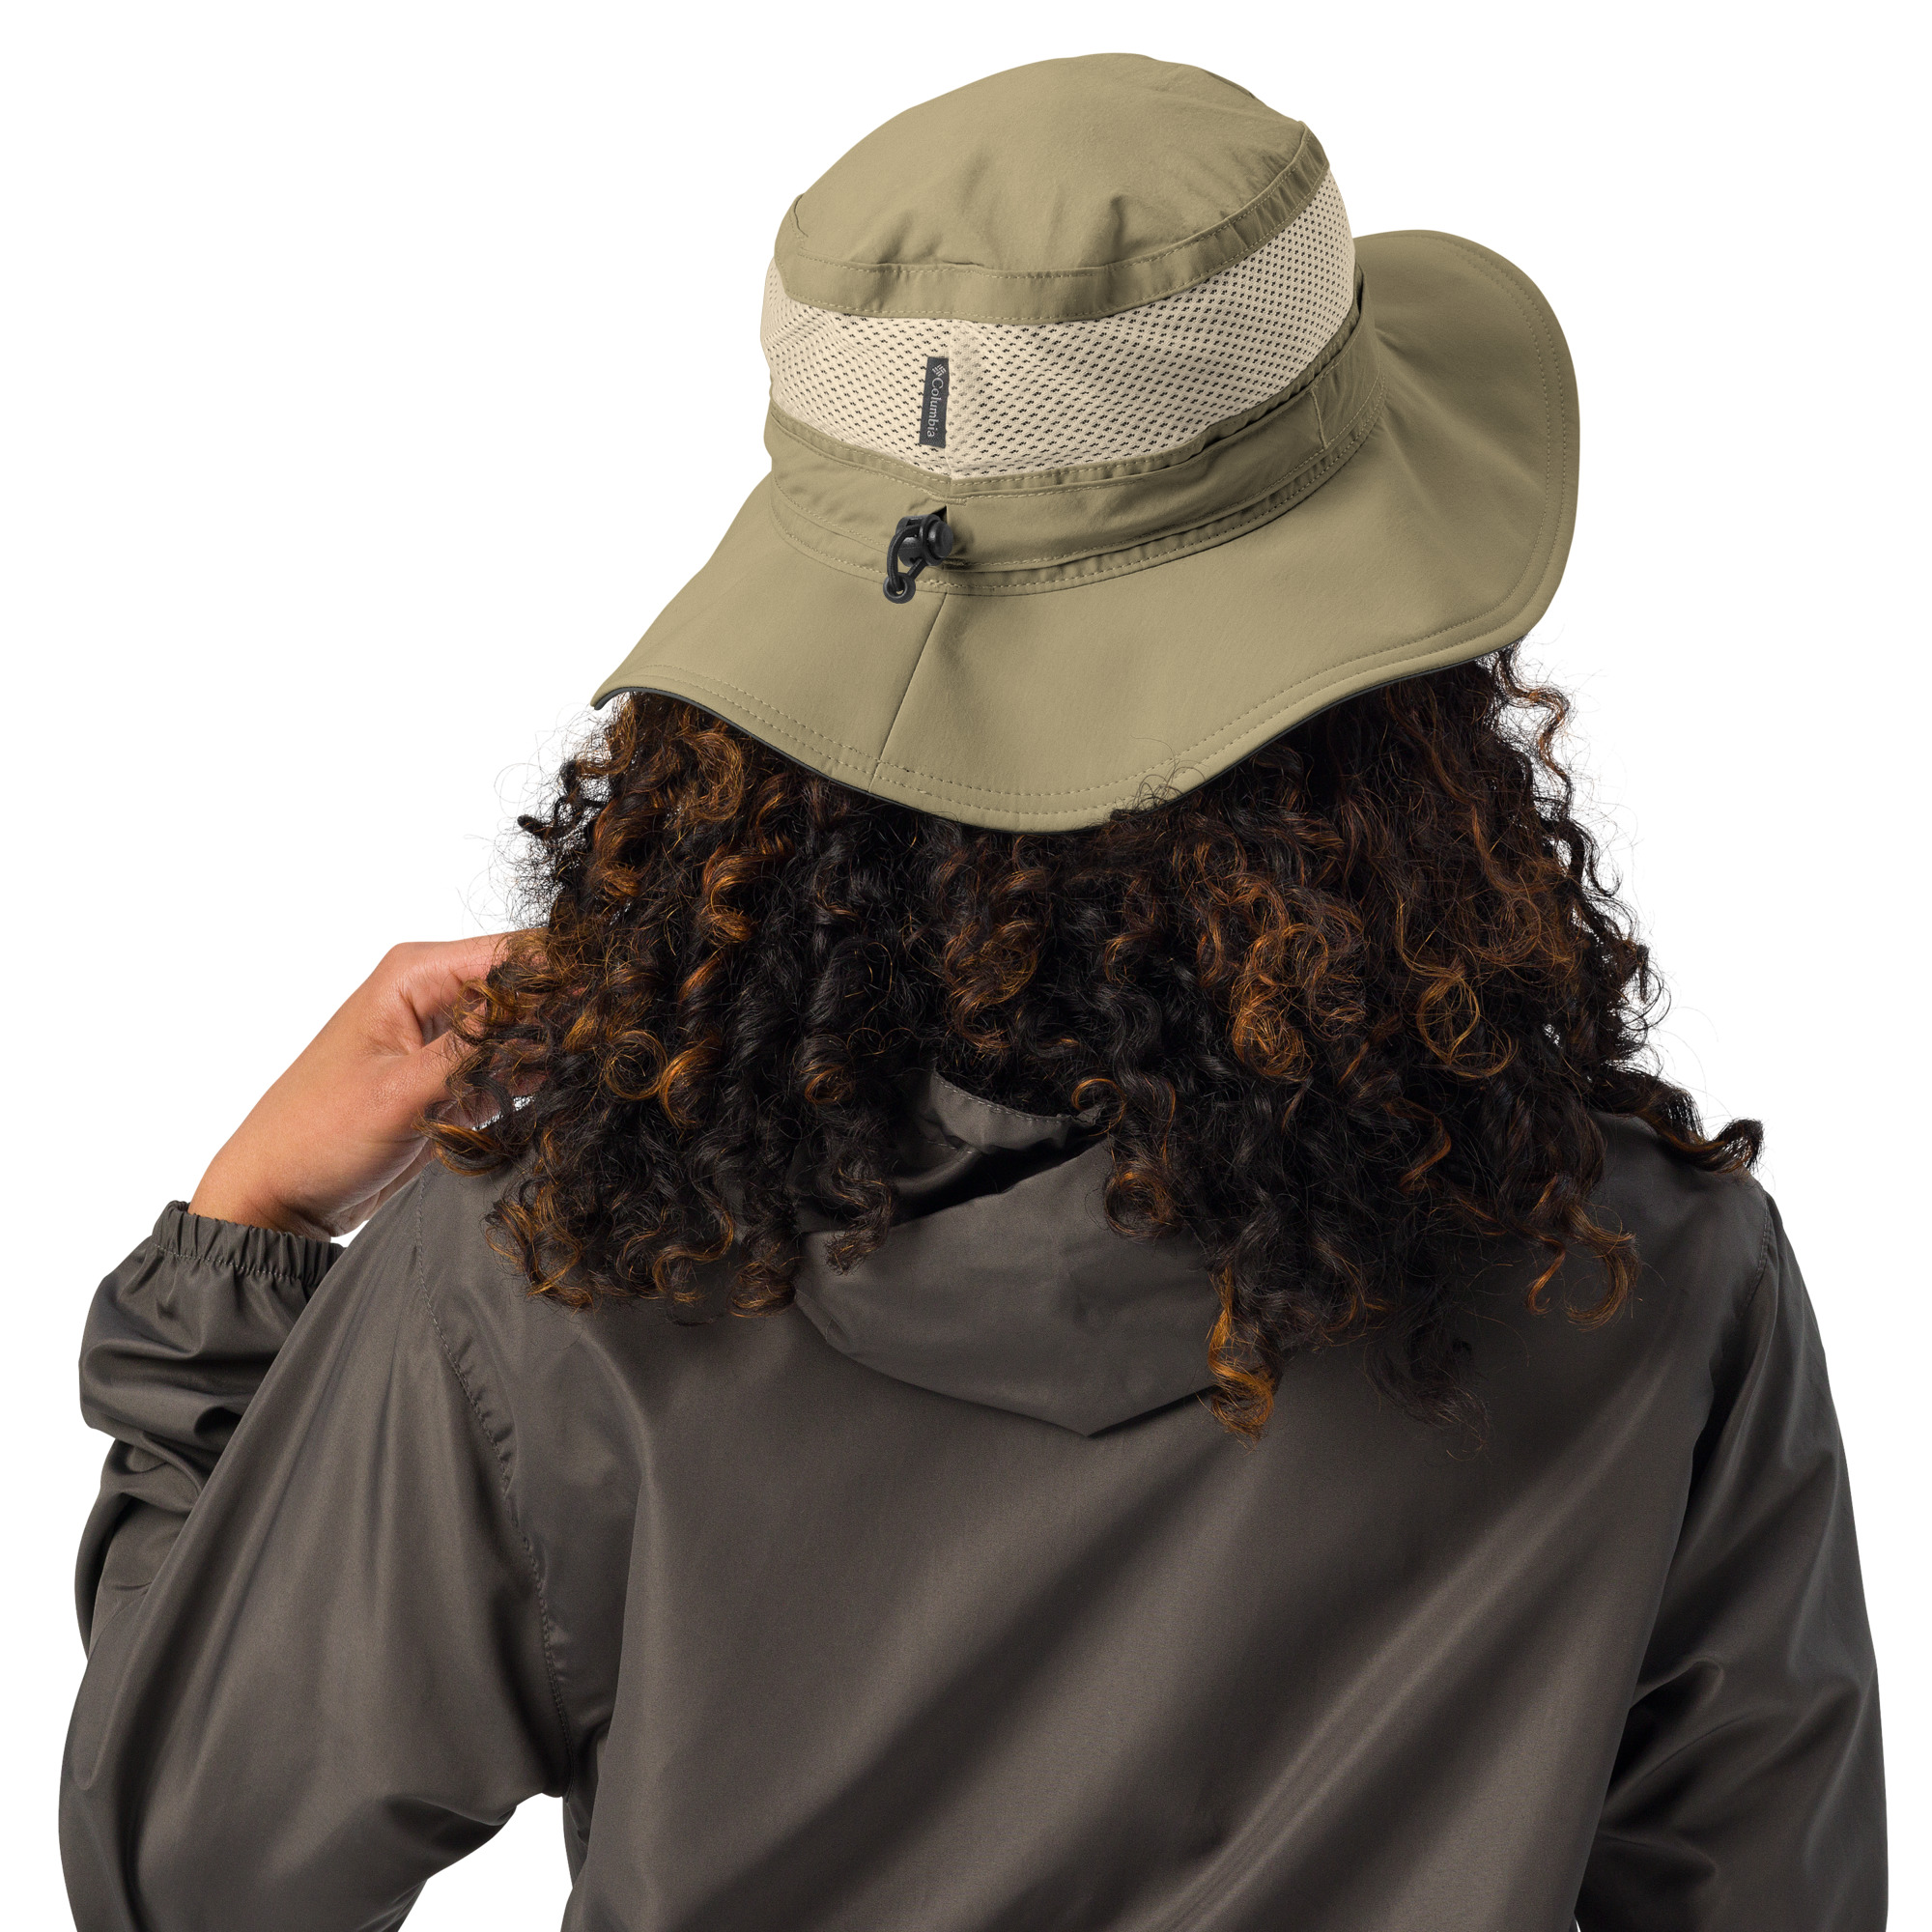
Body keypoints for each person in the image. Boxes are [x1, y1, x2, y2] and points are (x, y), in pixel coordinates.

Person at [61, 53, 1884, 1932]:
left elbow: (192, 1871)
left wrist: (241, 1250)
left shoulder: (559, 1263)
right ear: (1395, 668)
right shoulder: (1644, 1275)